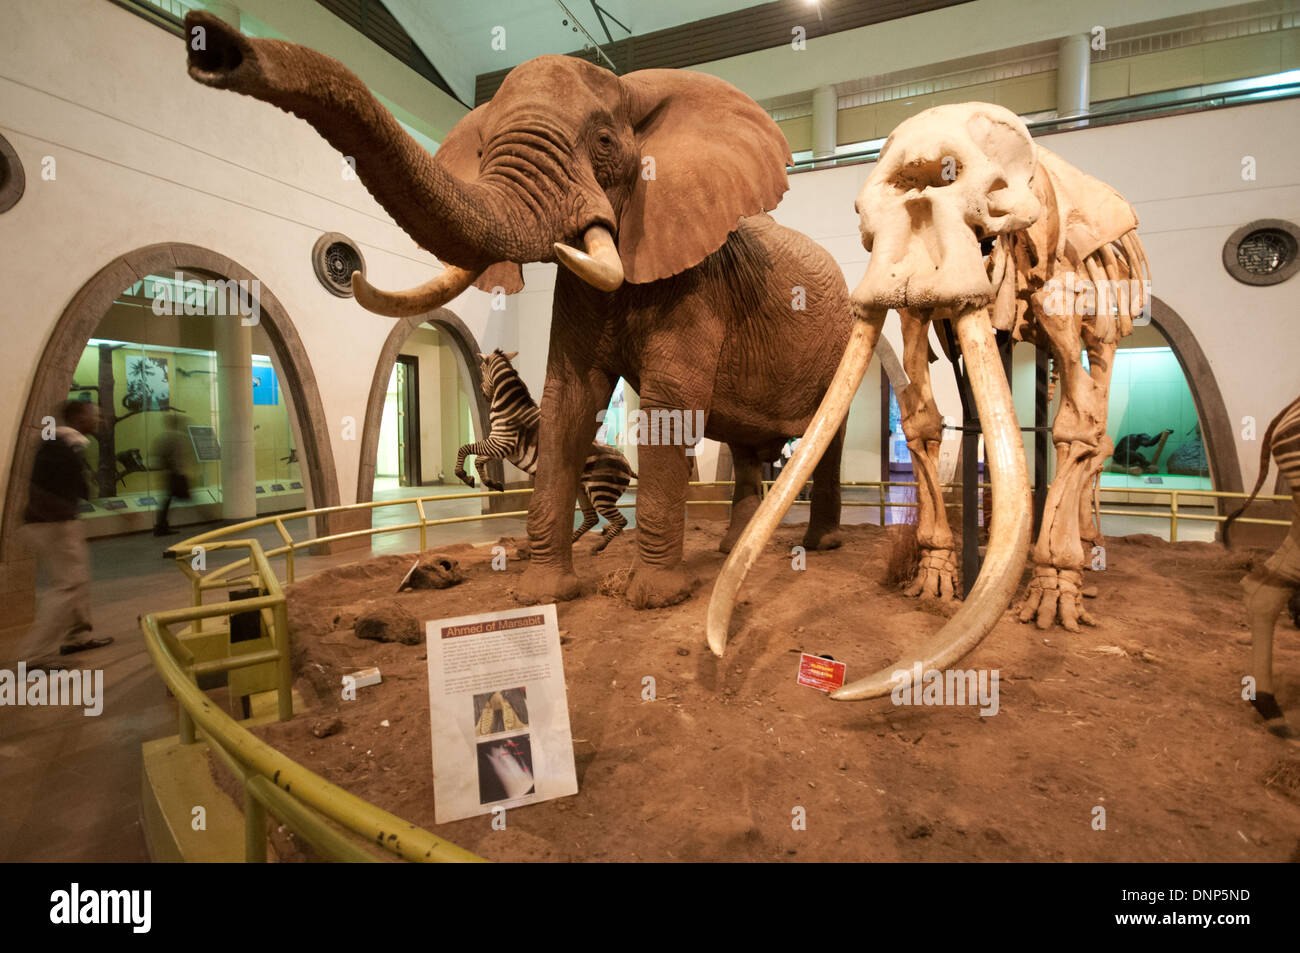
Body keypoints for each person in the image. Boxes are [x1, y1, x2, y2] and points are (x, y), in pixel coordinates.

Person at [21, 399, 113, 666]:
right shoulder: (63, 444)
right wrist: (60, 516)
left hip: (57, 521)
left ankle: (78, 637)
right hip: (55, 525)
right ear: (79, 418)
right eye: (93, 414)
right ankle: (33, 656)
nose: (97, 419)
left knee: (77, 581)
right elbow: (47, 488)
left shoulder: (61, 443)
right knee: (68, 586)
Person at [152, 413, 190, 536]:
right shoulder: (175, 437)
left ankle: (161, 525)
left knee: (167, 499)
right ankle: (161, 526)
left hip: (169, 472)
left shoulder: (163, 437)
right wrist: (180, 471)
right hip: (174, 473)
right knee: (171, 498)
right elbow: (177, 456)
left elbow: (159, 455)